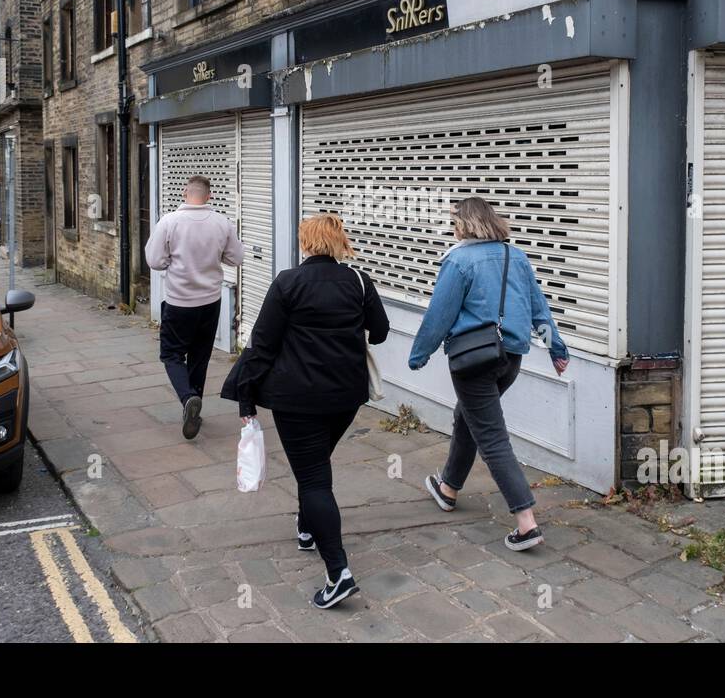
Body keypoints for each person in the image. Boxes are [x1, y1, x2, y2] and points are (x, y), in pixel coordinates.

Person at [222, 214, 389, 609]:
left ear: (306, 244)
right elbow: (379, 332)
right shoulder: (359, 281)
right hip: (346, 397)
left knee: (314, 476)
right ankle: (306, 528)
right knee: (314, 465)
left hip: (296, 399)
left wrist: (246, 398)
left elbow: (261, 344)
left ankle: (339, 573)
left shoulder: (287, 282)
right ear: (338, 243)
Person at [408, 196, 569, 552]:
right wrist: (556, 348)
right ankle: (448, 487)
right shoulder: (517, 257)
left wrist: (419, 354)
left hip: (473, 361)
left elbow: (440, 314)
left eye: (455, 223)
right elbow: (538, 308)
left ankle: (526, 523)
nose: (453, 229)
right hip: (510, 358)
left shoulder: (459, 260)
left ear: (464, 225)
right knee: (468, 417)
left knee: (492, 438)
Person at [145, 175, 244, 440]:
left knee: (172, 355)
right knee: (200, 357)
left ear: (183, 192)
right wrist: (216, 255)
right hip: (211, 301)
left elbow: (154, 260)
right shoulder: (222, 222)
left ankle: (188, 398)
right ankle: (194, 409)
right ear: (209, 196)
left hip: (179, 302)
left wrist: (173, 263)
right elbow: (237, 258)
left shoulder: (169, 222)